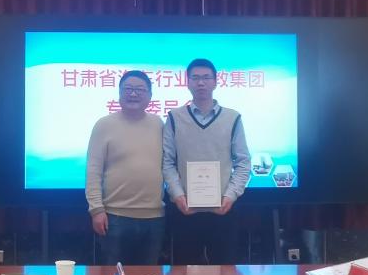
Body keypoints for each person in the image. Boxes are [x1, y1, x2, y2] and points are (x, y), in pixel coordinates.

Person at [163, 58, 251, 264]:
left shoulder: (233, 118)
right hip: (185, 210)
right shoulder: (174, 117)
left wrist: (230, 196)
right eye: (195, 78)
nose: (200, 83)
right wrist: (177, 195)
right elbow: (167, 162)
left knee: (225, 272)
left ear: (215, 82)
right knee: (184, 273)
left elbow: (243, 162)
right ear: (187, 82)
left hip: (223, 210)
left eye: (206, 78)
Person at [85, 70, 165, 264]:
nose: (133, 94)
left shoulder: (159, 124)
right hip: (114, 217)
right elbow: (93, 171)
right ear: (119, 93)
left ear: (150, 95)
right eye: (128, 89)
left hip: (154, 217)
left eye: (140, 89)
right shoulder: (104, 125)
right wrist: (96, 210)